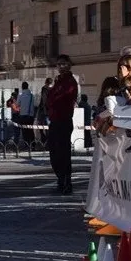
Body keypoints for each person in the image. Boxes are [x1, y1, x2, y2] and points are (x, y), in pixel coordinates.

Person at [46, 54, 78, 195]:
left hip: (64, 120)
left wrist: (52, 96)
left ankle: (66, 182)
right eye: (59, 64)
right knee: (54, 152)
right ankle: (60, 178)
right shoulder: (57, 81)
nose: (61, 67)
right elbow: (50, 98)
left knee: (63, 153)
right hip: (54, 120)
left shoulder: (70, 81)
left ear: (69, 65)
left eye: (64, 64)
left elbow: (62, 97)